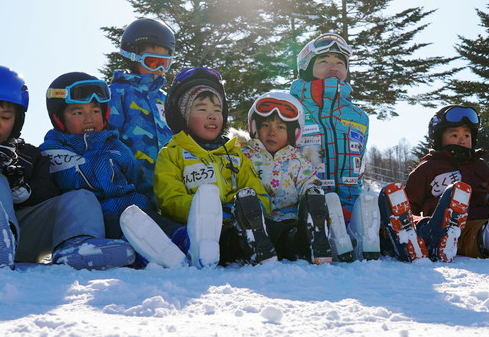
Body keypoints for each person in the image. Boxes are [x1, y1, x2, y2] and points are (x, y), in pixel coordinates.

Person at [0, 65, 135, 272]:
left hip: (23, 241)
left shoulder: (28, 155)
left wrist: (23, 191)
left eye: (6, 117)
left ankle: (77, 245)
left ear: (17, 120)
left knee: (81, 196)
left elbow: (49, 196)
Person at [39, 71, 185, 268]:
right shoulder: (51, 153)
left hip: (136, 209)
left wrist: (150, 205)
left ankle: (187, 239)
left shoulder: (115, 147)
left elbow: (138, 180)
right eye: (78, 113)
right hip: (98, 218)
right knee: (118, 228)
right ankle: (143, 254)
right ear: (59, 118)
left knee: (158, 223)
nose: (89, 118)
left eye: (95, 111)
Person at [389, 105, 489, 262]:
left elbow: (488, 201)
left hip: (484, 220)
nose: (461, 140)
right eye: (454, 135)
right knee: (472, 233)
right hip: (449, 229)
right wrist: (422, 227)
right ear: (438, 138)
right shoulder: (427, 169)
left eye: (466, 136)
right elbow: (408, 211)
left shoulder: (481, 167)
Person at [153, 67, 276, 268]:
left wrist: (252, 210)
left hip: (243, 222)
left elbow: (257, 191)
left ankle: (301, 238)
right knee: (223, 238)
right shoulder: (172, 153)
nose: (212, 116)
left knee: (274, 229)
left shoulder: (235, 154)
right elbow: (170, 199)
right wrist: (209, 211)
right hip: (201, 227)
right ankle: (249, 247)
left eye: (217, 110)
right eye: (202, 110)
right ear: (184, 116)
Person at [289, 33, 379, 261]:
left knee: (373, 202)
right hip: (307, 203)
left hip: (351, 201)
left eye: (340, 62)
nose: (334, 66)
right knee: (320, 205)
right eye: (324, 61)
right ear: (307, 68)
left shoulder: (359, 116)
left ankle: (364, 238)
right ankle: (327, 235)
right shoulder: (292, 109)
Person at [237, 90, 333, 264]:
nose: (272, 132)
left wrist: (312, 194)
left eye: (280, 127)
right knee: (245, 198)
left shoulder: (298, 160)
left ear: (293, 133)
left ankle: (313, 240)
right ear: (254, 127)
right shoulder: (244, 156)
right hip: (259, 222)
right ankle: (256, 246)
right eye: (266, 125)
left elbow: (308, 182)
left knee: (296, 234)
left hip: (289, 222)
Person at [108, 16, 176, 171]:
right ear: (133, 58)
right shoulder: (117, 93)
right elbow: (108, 138)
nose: (160, 69)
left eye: (165, 63)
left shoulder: (165, 99)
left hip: (169, 185)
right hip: (130, 183)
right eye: (152, 62)